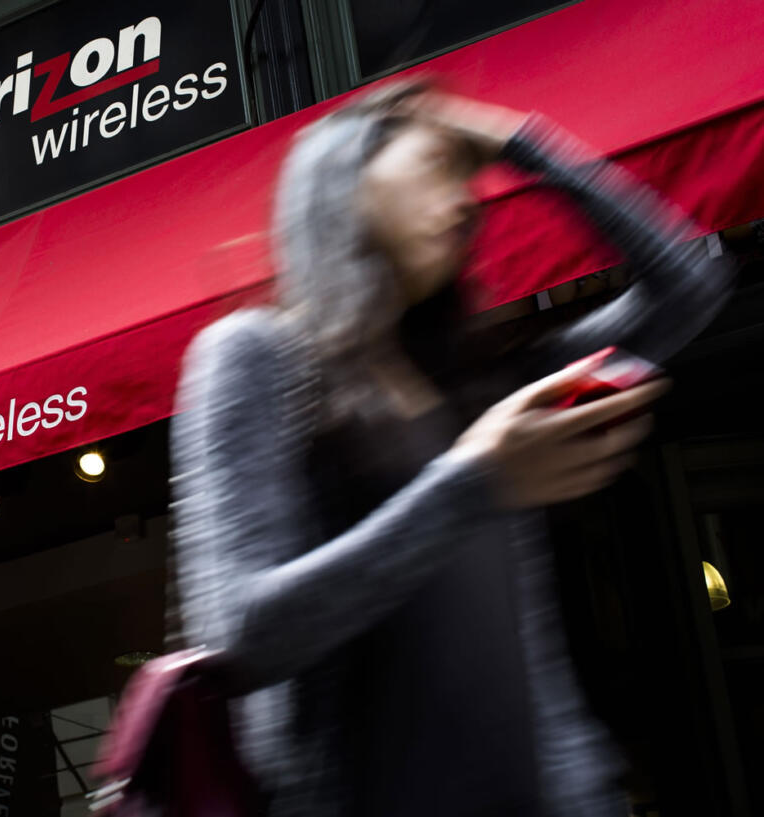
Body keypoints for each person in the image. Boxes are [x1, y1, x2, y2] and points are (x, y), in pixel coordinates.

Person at [168, 78, 734, 817]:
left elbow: (690, 282)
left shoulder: (484, 383)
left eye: (471, 182)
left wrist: (525, 145)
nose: (469, 202)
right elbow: (241, 635)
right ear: (343, 175)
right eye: (437, 166)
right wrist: (472, 482)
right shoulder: (257, 356)